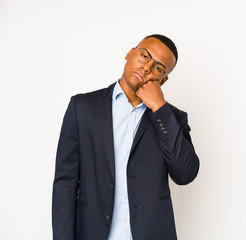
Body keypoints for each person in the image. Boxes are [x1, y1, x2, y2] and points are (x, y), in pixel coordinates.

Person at [52, 34, 200, 240]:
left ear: (162, 80)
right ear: (130, 53)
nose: (147, 68)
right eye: (145, 56)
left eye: (158, 68)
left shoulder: (172, 118)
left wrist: (159, 108)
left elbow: (185, 174)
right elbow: (65, 184)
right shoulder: (83, 108)